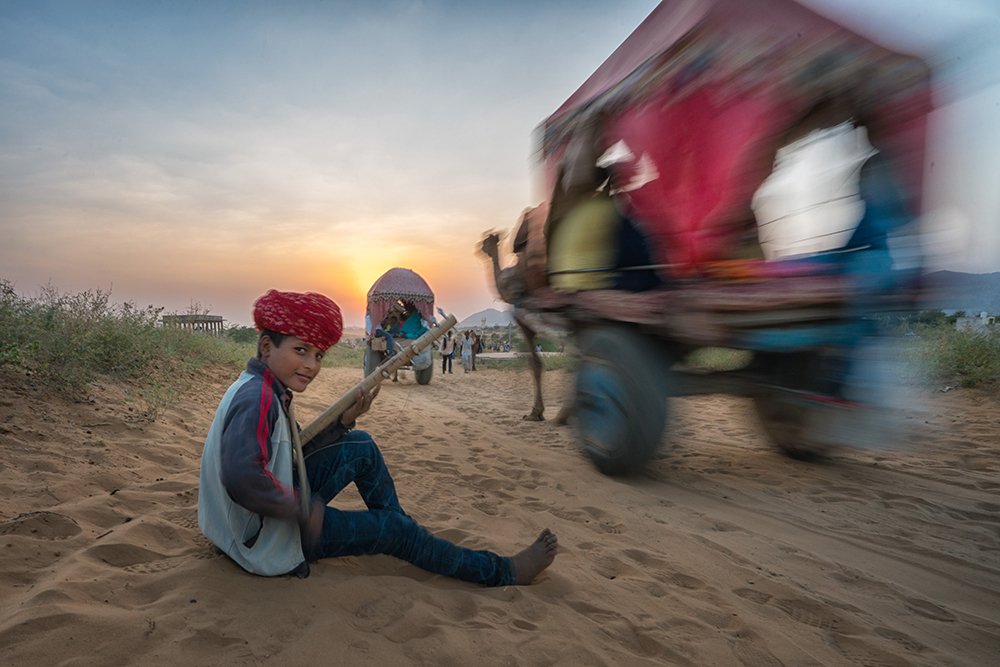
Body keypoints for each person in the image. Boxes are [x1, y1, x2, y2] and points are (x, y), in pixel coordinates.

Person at [198, 289, 558, 585]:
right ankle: (503, 571)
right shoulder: (256, 398)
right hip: (265, 538)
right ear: (265, 347)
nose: (311, 365)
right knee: (396, 530)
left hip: (248, 524)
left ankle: (407, 539)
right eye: (300, 350)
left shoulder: (265, 387)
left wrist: (344, 423)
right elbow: (242, 476)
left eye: (319, 354)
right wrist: (305, 510)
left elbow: (285, 457)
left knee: (361, 446)